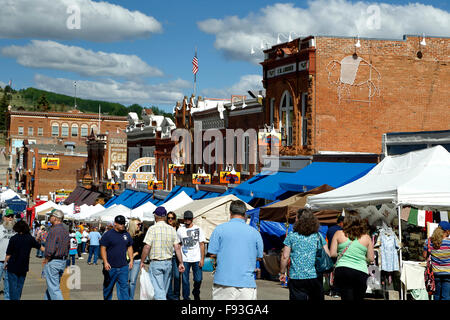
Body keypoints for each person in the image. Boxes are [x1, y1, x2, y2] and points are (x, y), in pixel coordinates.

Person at [208, 200, 264, 300]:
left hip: (223, 281)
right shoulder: (255, 233)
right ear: (245, 214)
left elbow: (212, 253)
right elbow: (259, 257)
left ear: (230, 213)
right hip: (246, 283)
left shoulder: (219, 229)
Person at [279, 209, 330, 300]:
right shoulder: (318, 236)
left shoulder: (291, 236)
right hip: (315, 277)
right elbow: (327, 254)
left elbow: (285, 257)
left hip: (296, 277)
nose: (295, 220)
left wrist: (282, 272)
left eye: (296, 218)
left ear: (298, 220)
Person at [140, 207, 185, 300]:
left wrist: (142, 261)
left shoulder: (152, 229)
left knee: (158, 291)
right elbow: (177, 247)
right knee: (162, 290)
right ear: (164, 217)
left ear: (156, 216)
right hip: (168, 263)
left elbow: (147, 246)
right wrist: (181, 262)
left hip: (156, 262)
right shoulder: (171, 229)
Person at [329, 211, 374, 301]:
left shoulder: (338, 233)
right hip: (360, 271)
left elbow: (332, 254)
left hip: (343, 270)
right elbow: (371, 259)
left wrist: (342, 254)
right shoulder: (367, 237)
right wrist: (361, 257)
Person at [4, 220, 41, 300]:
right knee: (19, 288)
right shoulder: (30, 238)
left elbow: (8, 254)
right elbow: (40, 247)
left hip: (12, 266)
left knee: (13, 289)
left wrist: (5, 263)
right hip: (23, 267)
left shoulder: (14, 238)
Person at [100, 215, 134, 300]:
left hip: (123, 267)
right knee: (108, 288)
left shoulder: (126, 234)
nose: (122, 225)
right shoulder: (108, 235)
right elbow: (103, 248)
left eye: (123, 223)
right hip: (111, 267)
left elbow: (129, 247)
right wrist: (105, 262)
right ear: (115, 223)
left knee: (124, 289)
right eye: (120, 224)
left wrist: (131, 260)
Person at [177, 210, 206, 300]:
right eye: (186, 218)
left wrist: (202, 259)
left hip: (197, 258)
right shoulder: (180, 230)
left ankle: (196, 291)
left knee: (198, 279)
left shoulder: (198, 229)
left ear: (192, 219)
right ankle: (186, 297)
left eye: (189, 218)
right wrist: (180, 260)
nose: (187, 220)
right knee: (185, 281)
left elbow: (202, 244)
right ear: (184, 219)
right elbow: (178, 244)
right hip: (185, 259)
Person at [42, 209, 70, 300]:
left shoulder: (54, 230)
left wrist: (46, 258)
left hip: (53, 261)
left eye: (51, 216)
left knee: (54, 289)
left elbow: (50, 248)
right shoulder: (65, 230)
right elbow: (68, 246)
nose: (50, 218)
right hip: (62, 260)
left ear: (55, 218)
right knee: (52, 287)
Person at [423, 221, 450, 300]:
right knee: (446, 297)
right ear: (447, 231)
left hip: (435, 273)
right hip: (448, 273)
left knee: (436, 296)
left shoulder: (429, 241)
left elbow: (425, 255)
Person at [325, 215, 344, 297]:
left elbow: (327, 240)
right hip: (340, 253)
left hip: (330, 252)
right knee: (338, 273)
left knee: (330, 272)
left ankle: (330, 289)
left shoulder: (329, 229)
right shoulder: (342, 231)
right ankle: (337, 290)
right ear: (341, 222)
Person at [0, 209, 16, 300]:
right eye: (8, 216)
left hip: (11, 262)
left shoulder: (16, 230)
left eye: (11, 216)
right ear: (4, 217)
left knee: (8, 286)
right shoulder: (0, 228)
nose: (10, 218)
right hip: (0, 260)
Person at [127, 218, 145, 300]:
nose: (140, 226)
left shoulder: (141, 235)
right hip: (125, 260)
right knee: (126, 281)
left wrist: (135, 254)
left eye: (140, 224)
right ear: (133, 225)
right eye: (138, 224)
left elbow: (142, 248)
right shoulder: (126, 235)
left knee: (132, 281)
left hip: (136, 260)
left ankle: (131, 298)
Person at [167, 211, 181, 300]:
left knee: (176, 276)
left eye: (172, 218)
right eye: (168, 218)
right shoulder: (166, 228)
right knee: (169, 277)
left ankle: (176, 295)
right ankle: (169, 295)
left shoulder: (178, 228)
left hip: (176, 256)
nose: (170, 220)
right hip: (168, 255)